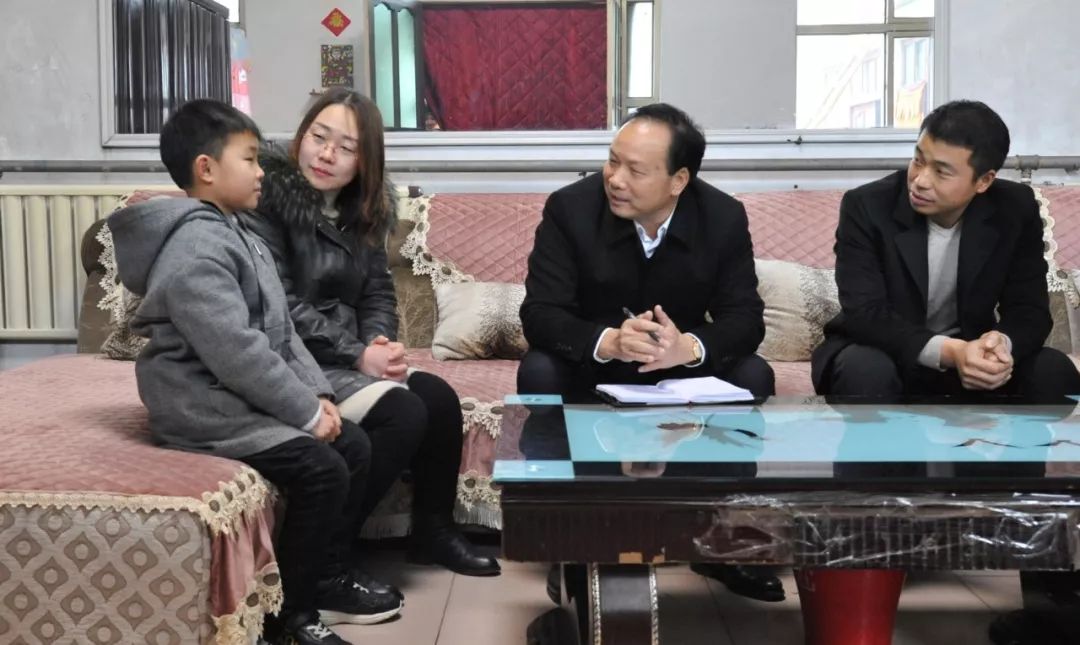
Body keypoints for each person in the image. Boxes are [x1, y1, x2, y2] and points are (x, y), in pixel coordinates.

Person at [109, 100, 400, 645]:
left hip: (232, 393)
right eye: (249, 159)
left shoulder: (237, 231)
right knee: (322, 469)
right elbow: (237, 351)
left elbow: (281, 331)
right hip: (201, 405)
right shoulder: (196, 248)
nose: (263, 170)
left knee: (354, 446)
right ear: (206, 169)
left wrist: (317, 395)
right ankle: (291, 618)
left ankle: (321, 581)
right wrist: (305, 414)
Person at [516, 102, 783, 602]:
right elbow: (540, 312)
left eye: (635, 170)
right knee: (539, 370)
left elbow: (745, 318)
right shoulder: (569, 209)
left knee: (754, 376)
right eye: (612, 161)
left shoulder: (723, 217)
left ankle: (722, 541)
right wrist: (609, 341)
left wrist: (688, 348)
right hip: (596, 368)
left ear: (678, 180)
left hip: (678, 373)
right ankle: (569, 543)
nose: (615, 179)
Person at [239, 88, 500, 581]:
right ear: (301, 137)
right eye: (319, 137)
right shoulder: (265, 202)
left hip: (343, 356)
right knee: (404, 412)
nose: (326, 154)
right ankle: (328, 556)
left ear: (365, 161)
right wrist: (359, 355)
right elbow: (279, 304)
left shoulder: (366, 211)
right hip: (291, 357)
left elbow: (377, 290)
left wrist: (379, 343)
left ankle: (433, 532)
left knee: (439, 400)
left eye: (346, 147)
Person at [811, 99, 1080, 401]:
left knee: (1052, 371)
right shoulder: (867, 206)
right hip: (885, 351)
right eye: (918, 160)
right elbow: (865, 314)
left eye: (942, 172)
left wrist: (999, 346)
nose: (920, 181)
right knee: (866, 370)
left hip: (969, 352)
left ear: (984, 181)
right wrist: (952, 352)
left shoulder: (1015, 209)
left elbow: (1029, 309)